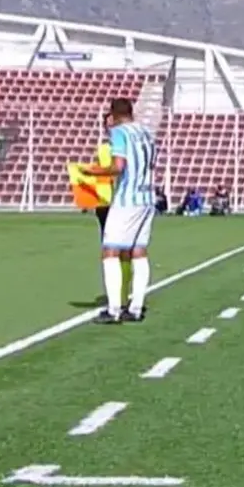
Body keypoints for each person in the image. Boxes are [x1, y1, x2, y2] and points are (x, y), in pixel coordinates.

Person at [81, 98, 158, 324]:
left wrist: (93, 172)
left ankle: (114, 309)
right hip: (147, 197)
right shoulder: (147, 133)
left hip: (128, 199)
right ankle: (136, 307)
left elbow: (118, 166)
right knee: (139, 251)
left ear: (113, 115)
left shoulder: (119, 133)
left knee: (110, 251)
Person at [93, 111, 134, 316]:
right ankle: (117, 297)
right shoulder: (103, 148)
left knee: (125, 251)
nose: (110, 127)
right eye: (108, 124)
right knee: (111, 250)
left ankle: (123, 297)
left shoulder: (127, 147)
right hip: (105, 203)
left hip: (123, 202)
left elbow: (115, 170)